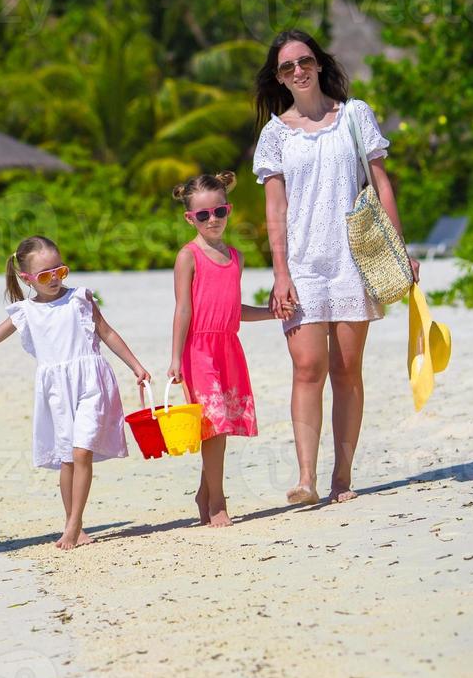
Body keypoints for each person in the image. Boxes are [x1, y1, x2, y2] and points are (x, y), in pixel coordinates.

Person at [252, 29, 419, 505]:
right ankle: (305, 478)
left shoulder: (355, 116)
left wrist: (399, 248)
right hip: (302, 266)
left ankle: (341, 477)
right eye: (287, 67)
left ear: (320, 64)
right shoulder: (275, 133)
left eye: (304, 61)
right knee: (308, 369)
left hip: (353, 261)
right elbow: (275, 211)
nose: (298, 71)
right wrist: (280, 273)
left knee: (347, 371)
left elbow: (382, 186)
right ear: (280, 79)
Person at [0, 235, 148, 550]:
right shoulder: (25, 311)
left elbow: (106, 332)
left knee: (83, 451)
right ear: (27, 278)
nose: (54, 278)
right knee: (68, 459)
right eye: (45, 275)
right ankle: (74, 524)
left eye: (60, 270)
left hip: (91, 383)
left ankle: (73, 525)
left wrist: (135, 366)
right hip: (57, 392)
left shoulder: (80, 298)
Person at [165, 172, 276, 527]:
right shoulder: (188, 256)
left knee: (222, 425)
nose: (212, 220)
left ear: (228, 210)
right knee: (212, 425)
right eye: (203, 215)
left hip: (228, 347)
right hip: (198, 349)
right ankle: (217, 500)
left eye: (219, 212)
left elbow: (233, 309)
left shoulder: (236, 257)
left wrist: (272, 312)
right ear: (190, 218)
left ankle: (205, 492)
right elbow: (184, 309)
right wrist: (174, 358)